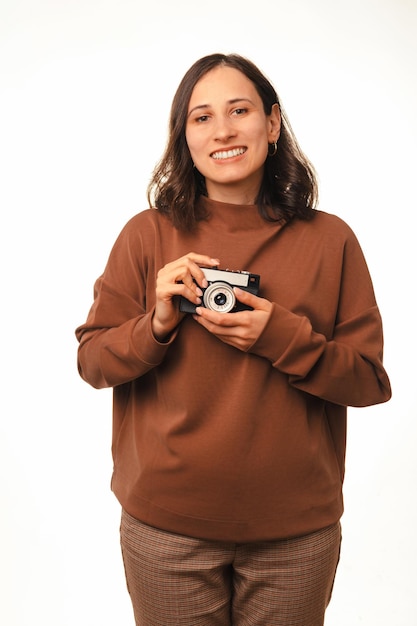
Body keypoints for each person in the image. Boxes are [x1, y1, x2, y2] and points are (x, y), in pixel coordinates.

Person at [75, 53, 391, 626]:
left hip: (296, 533)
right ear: (185, 137)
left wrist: (280, 335)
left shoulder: (331, 240)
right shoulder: (147, 234)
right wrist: (158, 324)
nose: (222, 130)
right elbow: (93, 362)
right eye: (201, 117)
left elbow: (369, 381)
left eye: (239, 110)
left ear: (272, 125)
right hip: (165, 527)